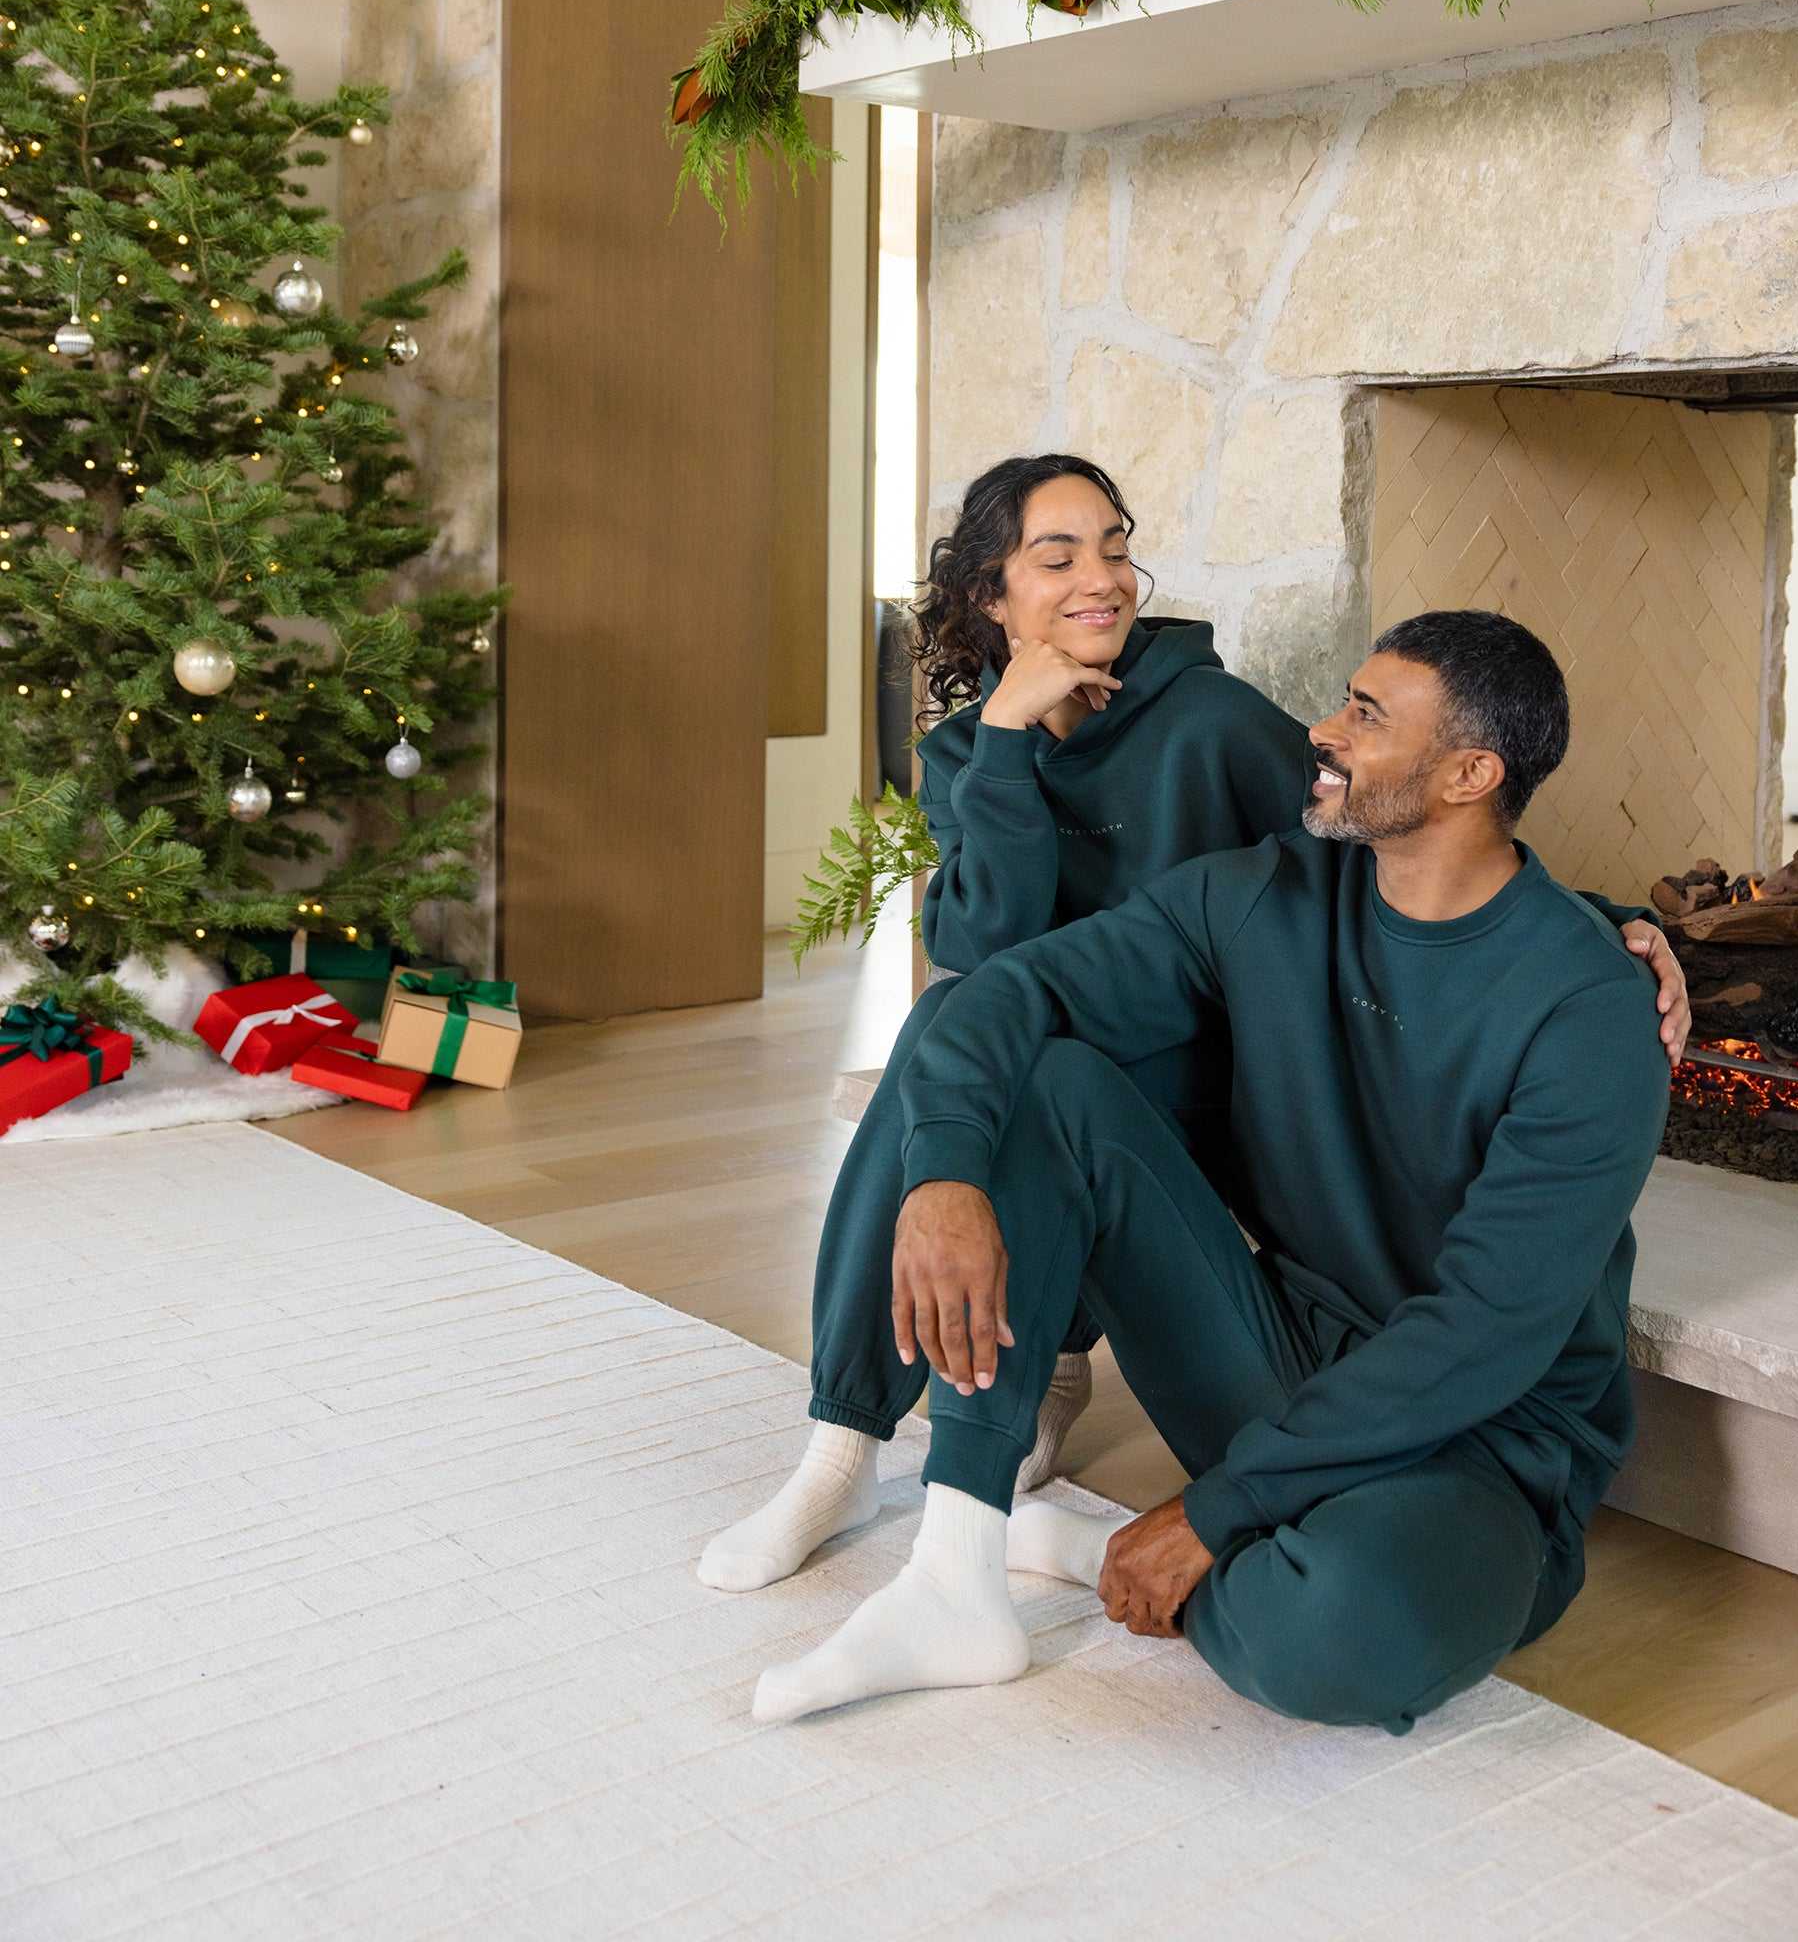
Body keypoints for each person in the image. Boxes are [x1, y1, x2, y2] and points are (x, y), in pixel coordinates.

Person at [696, 466, 1685, 1598]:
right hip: (1067, 1050)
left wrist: (1607, 924)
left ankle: (1045, 1358)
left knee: (1014, 1060)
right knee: (959, 1029)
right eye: (1059, 557)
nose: (1103, 579)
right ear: (989, 595)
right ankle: (843, 1446)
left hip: (1218, 1091)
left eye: (1115, 547)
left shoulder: (1213, 722)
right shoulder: (970, 750)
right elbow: (986, 947)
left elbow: (1393, 835)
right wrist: (1007, 741)